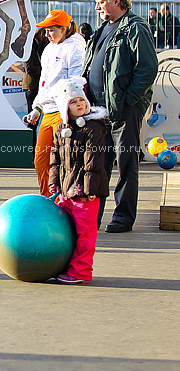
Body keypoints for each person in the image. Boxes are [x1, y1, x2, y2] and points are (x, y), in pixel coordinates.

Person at [84, 0, 158, 233]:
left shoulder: (135, 27)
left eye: (101, 2)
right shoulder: (103, 29)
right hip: (98, 111)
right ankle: (93, 217)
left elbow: (147, 69)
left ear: (116, 1)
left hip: (124, 111)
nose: (97, 8)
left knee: (126, 163)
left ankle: (123, 217)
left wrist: (128, 101)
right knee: (97, 166)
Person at [48, 77, 109, 284]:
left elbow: (94, 161)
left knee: (85, 233)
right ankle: (65, 265)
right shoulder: (60, 130)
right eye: (73, 102)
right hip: (66, 192)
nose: (80, 104)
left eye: (81, 100)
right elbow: (55, 158)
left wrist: (89, 189)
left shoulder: (93, 128)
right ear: (65, 107)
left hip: (85, 193)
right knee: (66, 232)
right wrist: (54, 183)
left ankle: (81, 271)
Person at [22, 9, 85, 196]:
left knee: (63, 160)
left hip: (63, 111)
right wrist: (37, 108)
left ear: (64, 28)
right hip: (47, 112)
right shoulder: (49, 48)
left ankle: (65, 197)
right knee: (40, 159)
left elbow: (76, 81)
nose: (47, 34)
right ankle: (47, 197)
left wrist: (68, 110)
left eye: (52, 30)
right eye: (46, 30)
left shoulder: (76, 48)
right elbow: (44, 82)